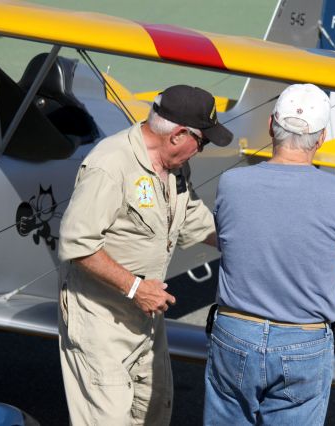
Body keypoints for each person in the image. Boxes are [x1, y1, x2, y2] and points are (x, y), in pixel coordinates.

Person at [57, 85, 233, 425]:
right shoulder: (110, 164)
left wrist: (261, 243)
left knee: (152, 413)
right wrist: (135, 288)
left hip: (147, 318)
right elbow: (77, 243)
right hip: (100, 320)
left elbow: (194, 219)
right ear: (180, 134)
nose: (201, 150)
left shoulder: (175, 167)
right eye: (203, 141)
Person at [204, 83, 335, 425]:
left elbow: (239, 236)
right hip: (303, 341)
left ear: (270, 126)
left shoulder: (233, 183)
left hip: (235, 330)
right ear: (320, 139)